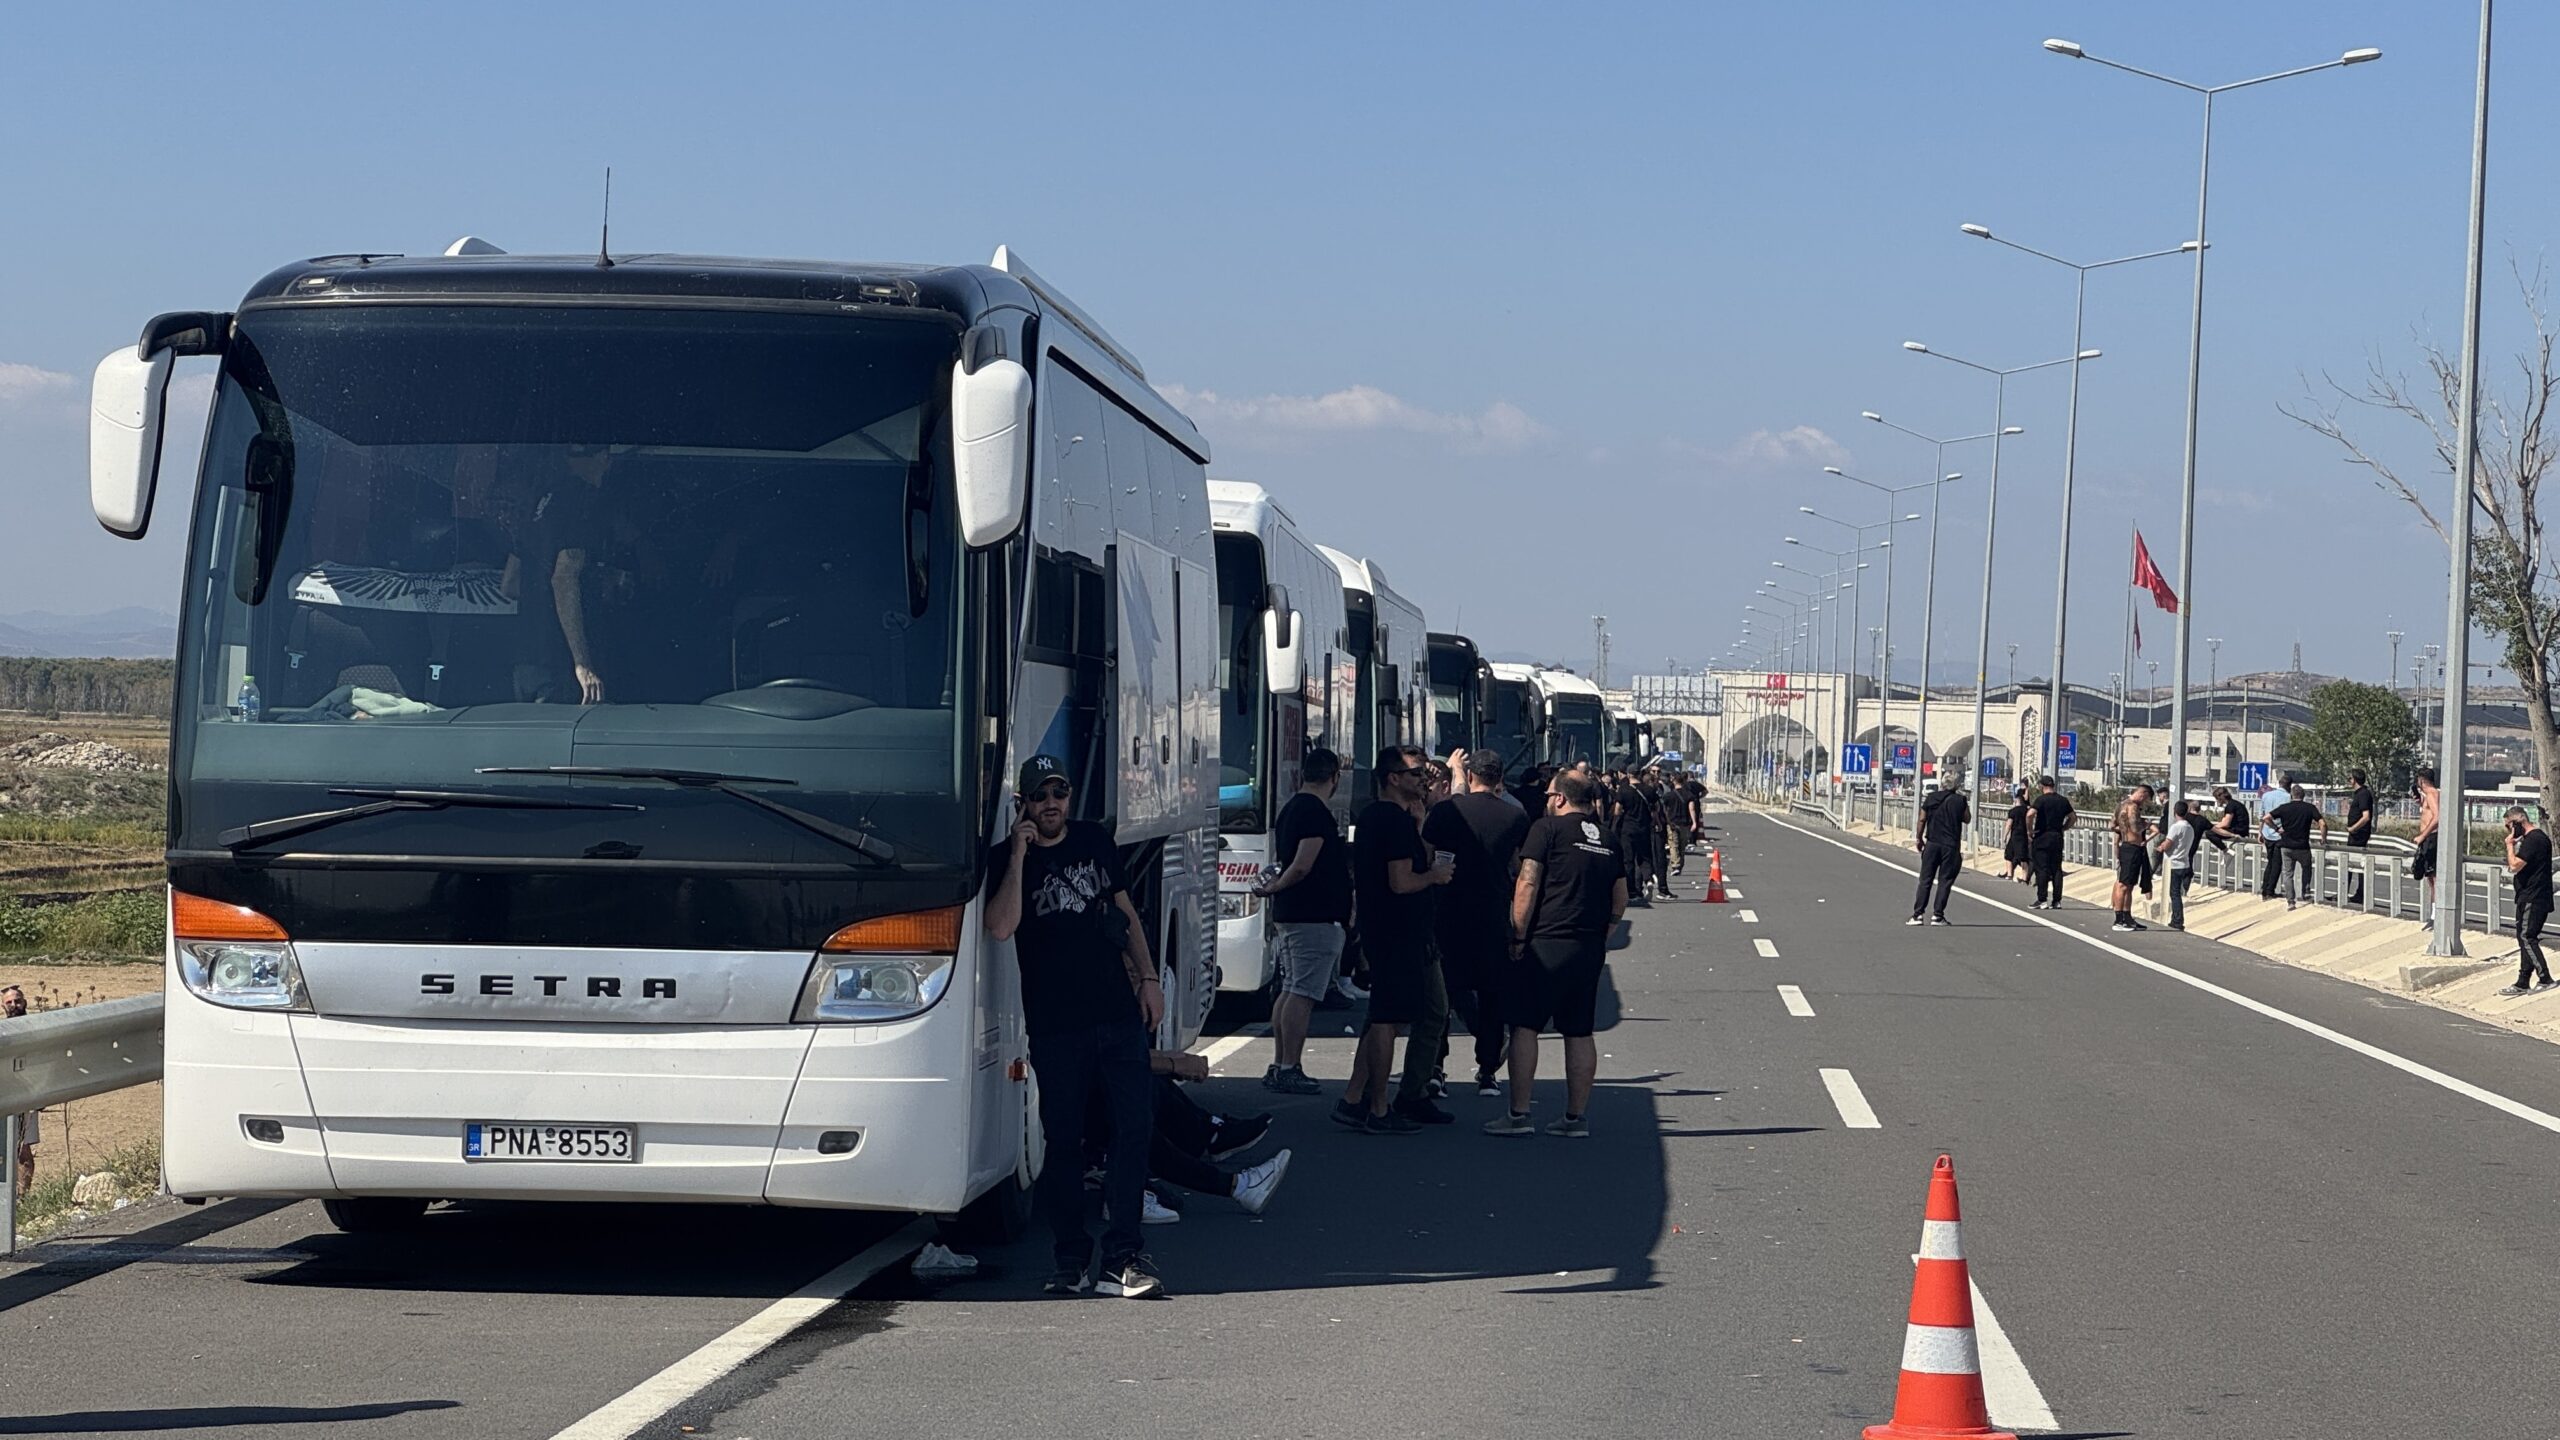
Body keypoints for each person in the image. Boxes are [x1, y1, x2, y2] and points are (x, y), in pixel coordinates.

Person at [983, 755, 1166, 1300]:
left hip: (1116, 1015)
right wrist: (1018, 854)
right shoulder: (1005, 860)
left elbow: (1124, 912)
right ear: (1025, 805)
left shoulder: (1092, 841)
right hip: (1057, 1026)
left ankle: (1125, 1256)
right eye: (1040, 796)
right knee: (1063, 1143)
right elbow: (1000, 927)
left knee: (1133, 1132)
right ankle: (1069, 1260)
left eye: (1059, 793)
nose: (1052, 804)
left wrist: (1149, 977)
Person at [1485, 771, 1628, 1138]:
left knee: (1526, 1025)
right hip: (1588, 947)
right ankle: (1575, 1118)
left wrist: (1517, 935)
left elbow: (1528, 881)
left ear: (1561, 798)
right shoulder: (1609, 840)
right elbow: (1621, 898)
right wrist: (1606, 928)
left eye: (1550, 794)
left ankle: (1518, 1114)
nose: (1547, 799)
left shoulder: (1546, 830)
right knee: (1579, 1030)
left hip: (1545, 943)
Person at [1338, 746, 1454, 1133]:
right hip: (1397, 933)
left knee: (1381, 1017)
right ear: (1394, 778)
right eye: (1417, 774)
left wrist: (1419, 826)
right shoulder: (1390, 820)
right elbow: (1401, 881)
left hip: (1389, 930)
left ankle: (1356, 1098)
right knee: (1389, 1018)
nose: (1424, 780)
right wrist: (1435, 878)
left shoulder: (1384, 817)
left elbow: (1412, 861)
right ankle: (1380, 1107)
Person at [1425, 749, 1533, 1096]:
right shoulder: (1515, 817)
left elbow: (1426, 856)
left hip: (1448, 911)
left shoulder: (1444, 812)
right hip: (1492, 912)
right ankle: (1487, 1070)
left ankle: (1435, 1067)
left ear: (1470, 777)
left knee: (1444, 993)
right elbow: (1519, 868)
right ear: (1499, 779)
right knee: (1491, 996)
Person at [1252, 749, 1350, 1095]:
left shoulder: (1292, 807)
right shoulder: (1314, 813)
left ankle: (1280, 1063)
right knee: (1304, 993)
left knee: (1291, 987)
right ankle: (1290, 1065)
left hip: (1293, 914)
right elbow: (1303, 863)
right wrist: (1278, 886)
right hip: (1313, 914)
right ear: (1334, 776)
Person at [2500, 805, 2555, 996]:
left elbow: (2515, 865)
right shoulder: (2531, 841)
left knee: (2527, 937)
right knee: (2523, 937)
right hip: (2527, 895)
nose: (2509, 831)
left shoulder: (2535, 840)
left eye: (2509, 826)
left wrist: (2509, 844)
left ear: (2518, 822)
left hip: (2534, 896)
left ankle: (2545, 977)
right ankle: (2523, 981)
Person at [1909, 773, 1970, 926]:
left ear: (1942, 784)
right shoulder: (1960, 800)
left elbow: (1922, 818)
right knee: (1945, 880)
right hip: (1950, 846)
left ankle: (1918, 914)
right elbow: (1967, 818)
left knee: (1925, 880)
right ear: (1955, 785)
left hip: (1932, 843)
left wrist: (1919, 837)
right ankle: (1938, 915)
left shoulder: (1930, 798)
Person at [2268, 780, 2328, 911]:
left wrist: (2276, 829)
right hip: (2303, 846)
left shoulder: (2284, 808)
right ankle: (2306, 891)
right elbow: (2322, 823)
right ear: (2303, 795)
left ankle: (2291, 901)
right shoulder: (2309, 808)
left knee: (2288, 874)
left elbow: (2266, 817)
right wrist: (2323, 839)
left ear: (2291, 795)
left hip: (2286, 846)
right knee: (2307, 868)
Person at [2109, 784, 2156, 933]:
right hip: (2132, 847)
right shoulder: (2133, 807)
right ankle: (2119, 919)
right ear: (2143, 794)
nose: (2145, 802)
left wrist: (2123, 831)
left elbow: (2112, 826)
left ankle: (2127, 917)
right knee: (2124, 884)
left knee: (2129, 885)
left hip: (2126, 846)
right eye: (2146, 799)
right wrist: (2147, 824)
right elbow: (2136, 828)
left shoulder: (2120, 806)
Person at [1608, 768, 1657, 906]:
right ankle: (1648, 880)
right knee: (1645, 857)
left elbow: (1617, 810)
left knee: (1628, 860)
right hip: (1644, 828)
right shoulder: (1648, 790)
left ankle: (1632, 892)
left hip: (1628, 828)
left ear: (1629, 774)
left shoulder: (1623, 790)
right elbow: (1656, 809)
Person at [2025, 776, 2076, 910]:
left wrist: (2030, 830)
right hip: (2057, 836)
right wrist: (2064, 827)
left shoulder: (2041, 800)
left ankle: (2042, 900)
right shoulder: (2063, 800)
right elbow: (2073, 817)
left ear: (2042, 786)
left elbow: (2030, 814)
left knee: (2042, 868)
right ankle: (2057, 900)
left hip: (2042, 836)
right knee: (2056, 869)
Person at [2, 983, 33, 1196]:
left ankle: (23, 1197)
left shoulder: (37, 1026)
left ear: (25, 1002)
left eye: (18, 1000)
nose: (14, 1005)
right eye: (9, 1002)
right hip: (5, 1092)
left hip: (29, 1093)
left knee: (23, 1147)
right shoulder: (3, 1031)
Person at [2156, 798, 2200, 932]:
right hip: (2185, 862)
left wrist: (2160, 847)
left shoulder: (2176, 827)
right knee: (2177, 892)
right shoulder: (2189, 828)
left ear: (2175, 812)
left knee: (2174, 894)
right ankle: (2177, 919)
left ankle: (2177, 920)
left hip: (2174, 863)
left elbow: (2168, 843)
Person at [2412, 767, 2444, 923]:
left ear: (2421, 780)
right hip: (2427, 839)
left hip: (2431, 837)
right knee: (2429, 877)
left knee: (2435, 877)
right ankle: (2433, 910)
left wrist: (2423, 835)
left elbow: (2437, 817)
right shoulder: (2428, 796)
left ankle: (2437, 911)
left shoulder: (2432, 794)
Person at [2343, 769, 2377, 906]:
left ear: (2354, 780)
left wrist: (2353, 828)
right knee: (2353, 864)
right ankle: (2355, 892)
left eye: (2349, 778)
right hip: (2356, 835)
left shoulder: (2363, 794)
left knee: (2352, 863)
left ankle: (2356, 893)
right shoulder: (2360, 794)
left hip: (2358, 836)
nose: (2349, 781)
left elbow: (2366, 817)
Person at [2257, 774, 2292, 901]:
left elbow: (2262, 815)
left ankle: (2264, 888)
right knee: (2276, 863)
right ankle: (2269, 891)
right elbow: (2288, 817)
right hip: (2280, 834)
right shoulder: (2288, 797)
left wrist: (2260, 832)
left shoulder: (2266, 795)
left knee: (2270, 862)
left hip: (2267, 833)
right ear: (2289, 785)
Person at [2208, 785, 2249, 856]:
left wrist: (2211, 827)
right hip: (2242, 829)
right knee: (2215, 830)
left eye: (2217, 798)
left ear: (2221, 797)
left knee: (2210, 833)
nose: (2217, 800)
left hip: (2238, 831)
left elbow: (2225, 823)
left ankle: (2225, 849)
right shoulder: (2235, 804)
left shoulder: (2230, 806)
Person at [2001, 789, 2032, 882]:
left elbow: (2009, 824)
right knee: (2023, 857)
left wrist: (2005, 835)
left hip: (2014, 835)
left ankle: (2010, 874)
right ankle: (2024, 877)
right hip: (2024, 836)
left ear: (2016, 800)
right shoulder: (2027, 811)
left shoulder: (2013, 811)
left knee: (2008, 855)